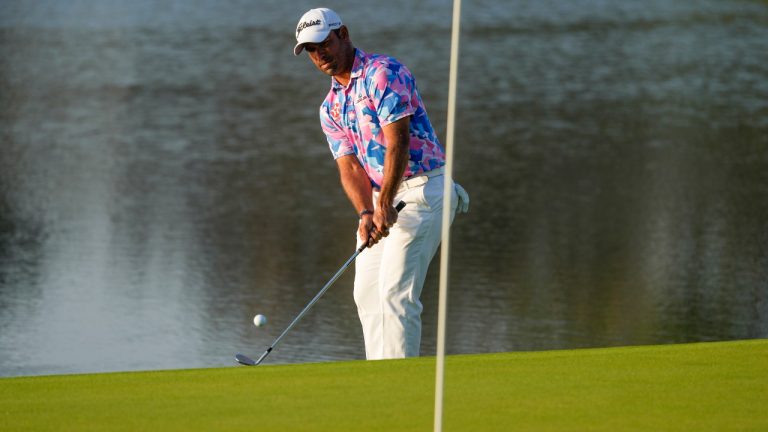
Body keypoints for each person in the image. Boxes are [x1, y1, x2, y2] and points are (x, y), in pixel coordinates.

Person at [293, 8, 469, 360]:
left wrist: (383, 205)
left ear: (343, 34)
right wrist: (365, 212)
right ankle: (380, 380)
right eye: (311, 50)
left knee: (395, 294)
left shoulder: (383, 73)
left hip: (422, 192)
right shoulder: (330, 107)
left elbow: (398, 142)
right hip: (381, 199)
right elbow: (349, 167)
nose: (319, 54)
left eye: (324, 43)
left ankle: (402, 386)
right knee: (368, 294)